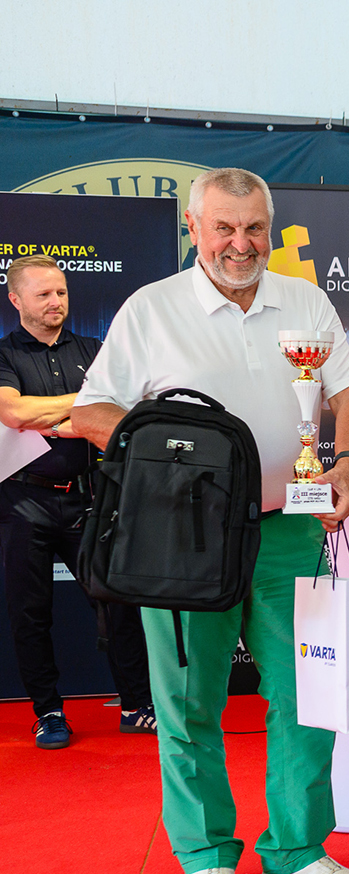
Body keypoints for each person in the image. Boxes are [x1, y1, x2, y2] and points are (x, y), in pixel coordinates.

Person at [72, 167, 349, 874]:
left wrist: (344, 464)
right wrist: (171, 455)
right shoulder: (152, 309)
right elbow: (91, 411)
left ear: (269, 229)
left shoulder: (305, 301)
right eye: (224, 228)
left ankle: (296, 853)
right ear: (194, 229)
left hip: (290, 527)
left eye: (254, 228)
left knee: (307, 697)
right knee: (187, 704)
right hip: (183, 541)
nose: (240, 244)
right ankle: (206, 859)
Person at [0, 255, 153, 748]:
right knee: (30, 613)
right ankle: (48, 712)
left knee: (117, 602)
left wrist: (59, 414)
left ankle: (137, 705)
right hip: (22, 500)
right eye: (43, 294)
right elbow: (14, 413)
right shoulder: (4, 356)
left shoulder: (94, 349)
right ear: (16, 299)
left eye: (61, 292)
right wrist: (85, 400)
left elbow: (125, 410)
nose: (56, 302)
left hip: (89, 498)